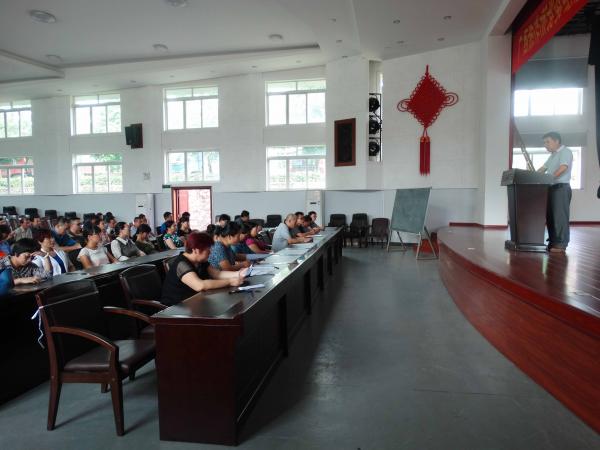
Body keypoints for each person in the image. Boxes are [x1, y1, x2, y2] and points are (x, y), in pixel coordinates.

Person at [160, 232, 248, 306]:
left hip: (194, 302)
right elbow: (200, 285)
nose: (210, 252)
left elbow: (217, 274)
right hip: (176, 307)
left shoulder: (200, 261)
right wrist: (230, 282)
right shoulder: (181, 264)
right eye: (208, 250)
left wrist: (238, 274)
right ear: (196, 250)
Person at [537, 131, 573, 253]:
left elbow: (563, 167)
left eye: (547, 142)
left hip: (561, 188)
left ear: (557, 141)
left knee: (559, 217)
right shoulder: (552, 156)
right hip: (551, 188)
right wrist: (532, 176)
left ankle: (561, 244)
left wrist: (549, 178)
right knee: (551, 216)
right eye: (544, 143)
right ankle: (553, 241)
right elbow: (543, 169)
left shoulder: (565, 152)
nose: (545, 145)